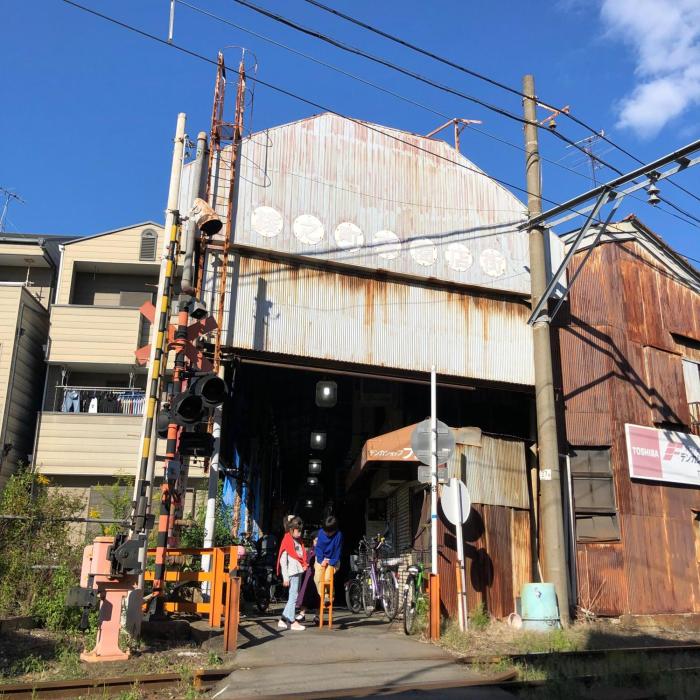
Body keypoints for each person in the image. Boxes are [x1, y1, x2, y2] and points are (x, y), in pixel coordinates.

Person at [276, 516, 307, 631]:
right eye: (298, 531)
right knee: (293, 597)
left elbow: (301, 554)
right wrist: (285, 577)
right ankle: (292, 621)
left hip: (298, 571)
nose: (300, 533)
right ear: (291, 529)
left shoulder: (297, 540)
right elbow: (283, 561)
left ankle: (283, 620)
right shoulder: (287, 540)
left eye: (301, 531)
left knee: (293, 596)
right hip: (292, 572)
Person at [314, 515, 343, 607]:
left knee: (327, 578)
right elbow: (318, 548)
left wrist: (330, 562)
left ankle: (330, 595)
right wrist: (321, 560)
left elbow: (337, 552)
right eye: (326, 531)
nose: (327, 533)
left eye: (329, 531)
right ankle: (325, 597)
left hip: (333, 559)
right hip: (321, 558)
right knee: (318, 578)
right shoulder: (321, 533)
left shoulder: (338, 535)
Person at [295, 531, 318, 623]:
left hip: (318, 574)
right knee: (305, 593)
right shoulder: (310, 550)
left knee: (318, 595)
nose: (317, 543)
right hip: (309, 574)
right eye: (315, 540)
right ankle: (302, 613)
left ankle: (317, 615)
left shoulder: (322, 550)